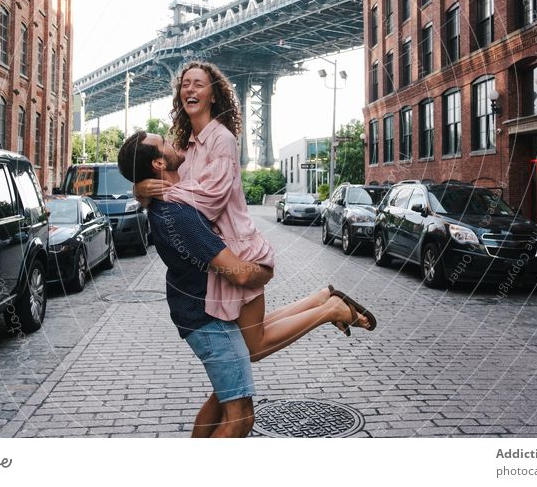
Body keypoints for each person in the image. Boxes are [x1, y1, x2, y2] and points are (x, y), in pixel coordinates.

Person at [118, 131, 377, 437]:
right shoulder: (177, 215)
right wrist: (264, 272)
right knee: (239, 417)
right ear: (160, 162)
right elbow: (238, 273)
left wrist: (140, 187)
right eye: (164, 142)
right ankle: (329, 308)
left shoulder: (177, 190)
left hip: (205, 307)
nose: (172, 141)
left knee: (224, 394)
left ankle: (323, 302)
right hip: (206, 319)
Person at [136, 62, 376, 360]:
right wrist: (142, 190)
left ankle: (331, 311)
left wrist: (163, 193)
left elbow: (210, 199)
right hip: (220, 253)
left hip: (239, 249)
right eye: (185, 84)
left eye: (199, 84)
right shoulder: (187, 147)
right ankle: (322, 298)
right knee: (250, 338)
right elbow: (163, 172)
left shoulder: (221, 139)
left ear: (213, 96)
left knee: (254, 347)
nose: (190, 89)